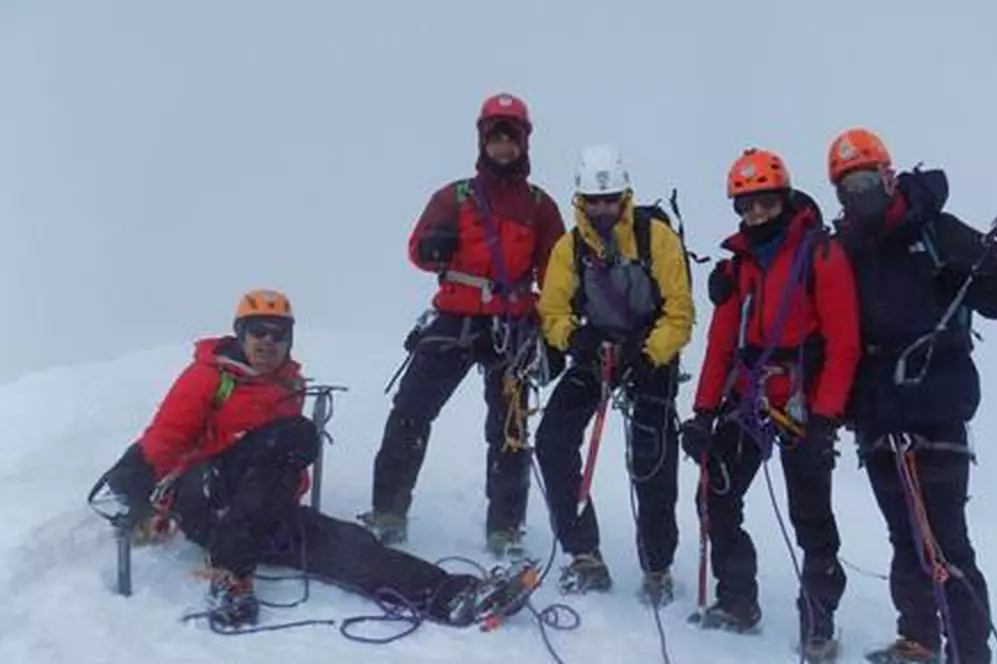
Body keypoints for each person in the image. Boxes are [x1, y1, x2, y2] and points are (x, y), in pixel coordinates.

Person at [94, 289, 535, 629]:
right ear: (240, 334)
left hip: (252, 513)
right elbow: (158, 444)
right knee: (295, 435)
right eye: (257, 331)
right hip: (204, 493)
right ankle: (230, 576)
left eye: (277, 333)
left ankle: (454, 596)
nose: (268, 341)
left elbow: (282, 470)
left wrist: (283, 489)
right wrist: (140, 504)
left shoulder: (291, 385)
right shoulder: (209, 377)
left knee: (344, 544)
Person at [824, 128, 997, 664]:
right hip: (878, 414)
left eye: (864, 181)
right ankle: (920, 640)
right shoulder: (845, 251)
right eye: (846, 188)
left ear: (887, 175)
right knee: (905, 539)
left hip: (935, 407)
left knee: (946, 542)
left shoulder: (935, 233)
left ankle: (969, 652)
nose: (859, 197)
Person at [678, 148, 861, 660]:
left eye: (762, 203)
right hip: (751, 398)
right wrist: (703, 412)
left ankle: (818, 622)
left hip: (805, 404)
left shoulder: (821, 255)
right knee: (715, 493)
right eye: (744, 206)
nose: (754, 215)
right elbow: (720, 344)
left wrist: (826, 418)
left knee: (812, 518)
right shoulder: (739, 266)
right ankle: (738, 601)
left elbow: (844, 342)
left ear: (782, 198)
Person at [365, 92, 566, 554]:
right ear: (482, 140)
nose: (502, 146)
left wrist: (553, 331)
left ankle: (505, 527)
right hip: (455, 315)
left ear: (524, 142)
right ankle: (389, 512)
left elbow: (555, 274)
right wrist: (432, 247)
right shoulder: (454, 197)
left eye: (510, 138)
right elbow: (416, 249)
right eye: (495, 137)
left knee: (509, 429)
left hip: (511, 323)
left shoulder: (539, 205)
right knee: (411, 412)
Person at [534, 144, 695, 606]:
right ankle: (583, 553)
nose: (602, 209)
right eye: (593, 201)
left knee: (653, 452)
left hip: (650, 349)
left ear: (624, 196)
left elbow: (679, 311)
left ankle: (658, 565)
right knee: (553, 440)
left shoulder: (657, 239)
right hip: (597, 345)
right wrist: (573, 339)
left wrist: (651, 354)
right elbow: (553, 309)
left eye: (609, 200)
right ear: (580, 201)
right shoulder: (571, 248)